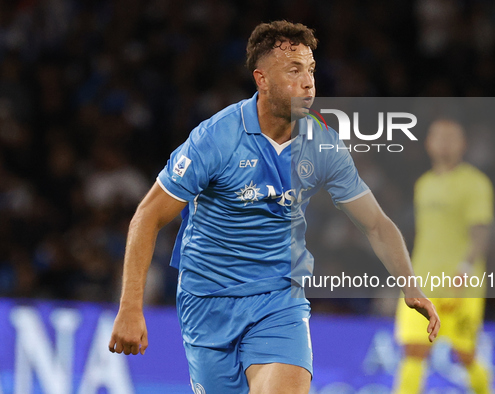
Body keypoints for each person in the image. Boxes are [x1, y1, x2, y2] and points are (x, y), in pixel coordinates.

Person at [109, 20, 440, 394]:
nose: (309, 82)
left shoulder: (323, 144)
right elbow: (148, 216)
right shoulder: (216, 138)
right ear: (262, 79)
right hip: (207, 302)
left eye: (311, 70)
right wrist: (130, 307)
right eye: (294, 70)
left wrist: (410, 285)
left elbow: (376, 224)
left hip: (279, 302)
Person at [393, 119, 494, 394]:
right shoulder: (423, 184)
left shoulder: (475, 183)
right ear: (428, 143)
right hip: (422, 282)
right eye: (439, 136)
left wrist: (465, 268)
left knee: (465, 355)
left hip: (460, 284)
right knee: (413, 350)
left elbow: (481, 232)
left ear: (463, 145)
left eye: (451, 137)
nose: (444, 142)